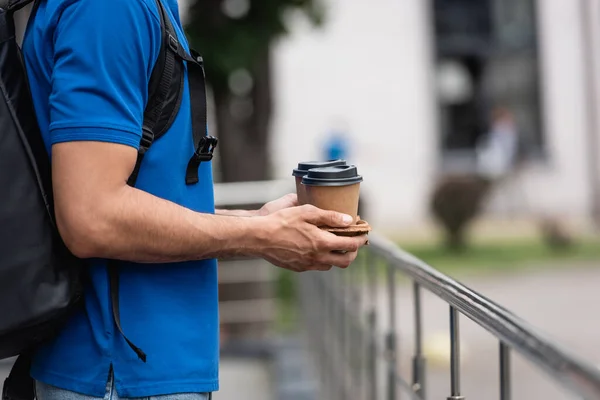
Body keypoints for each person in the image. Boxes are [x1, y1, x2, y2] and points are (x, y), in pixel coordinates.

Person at [20, 1, 368, 400]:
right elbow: (92, 216)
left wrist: (256, 223)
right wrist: (260, 235)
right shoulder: (112, 8)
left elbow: (139, 198)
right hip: (122, 373)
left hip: (137, 370)